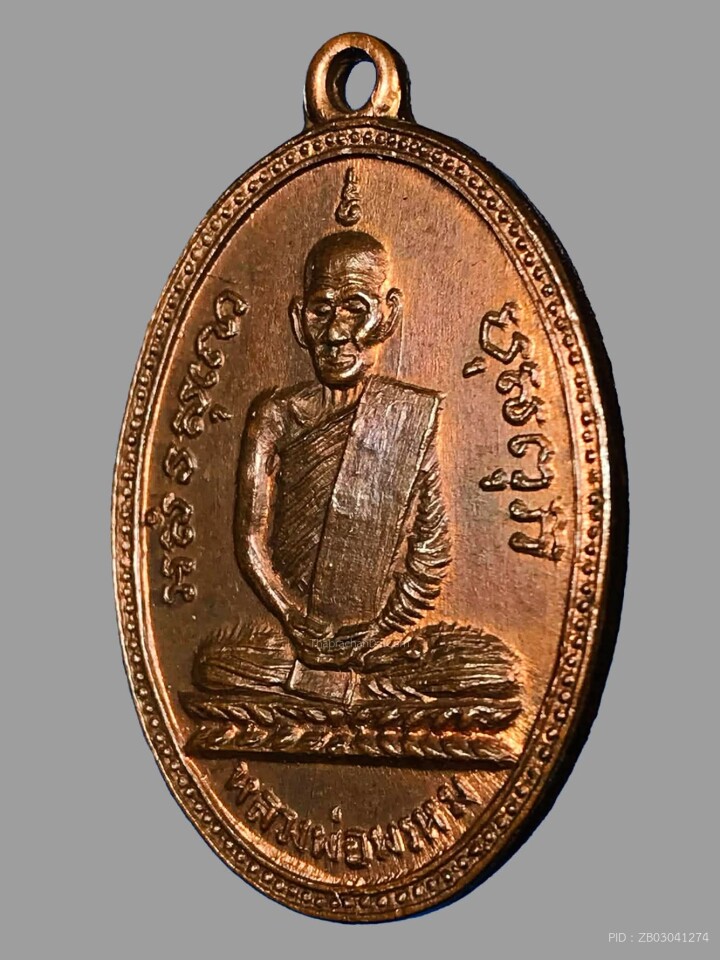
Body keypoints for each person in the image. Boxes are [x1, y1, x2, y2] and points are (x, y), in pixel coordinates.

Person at [193, 229, 519, 709]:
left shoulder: (409, 415)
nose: (335, 333)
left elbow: (431, 545)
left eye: (355, 309)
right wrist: (290, 613)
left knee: (491, 668)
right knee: (213, 664)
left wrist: (379, 630)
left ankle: (333, 683)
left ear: (389, 314)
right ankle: (353, 689)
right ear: (299, 321)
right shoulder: (275, 415)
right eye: (321, 311)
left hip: (379, 637)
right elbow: (250, 538)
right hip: (295, 632)